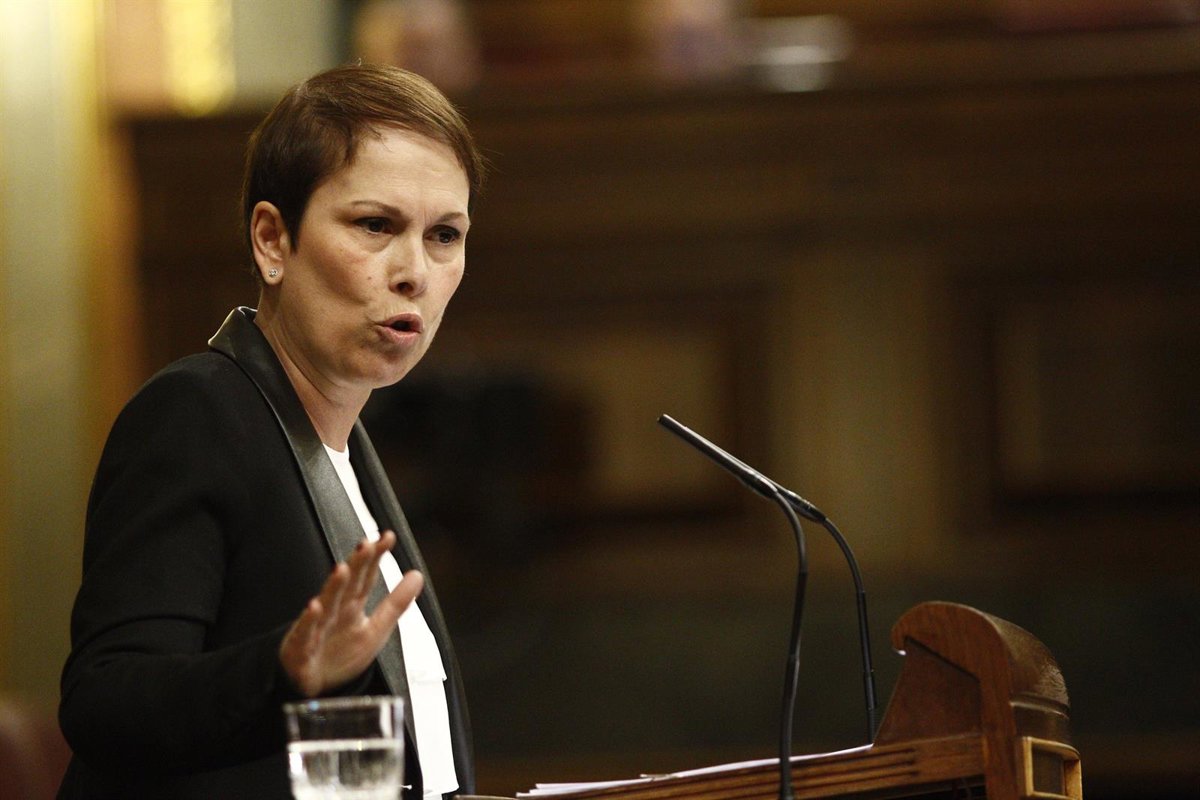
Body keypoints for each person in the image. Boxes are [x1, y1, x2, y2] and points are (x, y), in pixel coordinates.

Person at [57, 63, 485, 799]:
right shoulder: (197, 414)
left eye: (444, 234)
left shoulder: (346, 447)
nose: (415, 271)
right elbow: (106, 701)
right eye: (375, 225)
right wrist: (284, 672)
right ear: (272, 241)